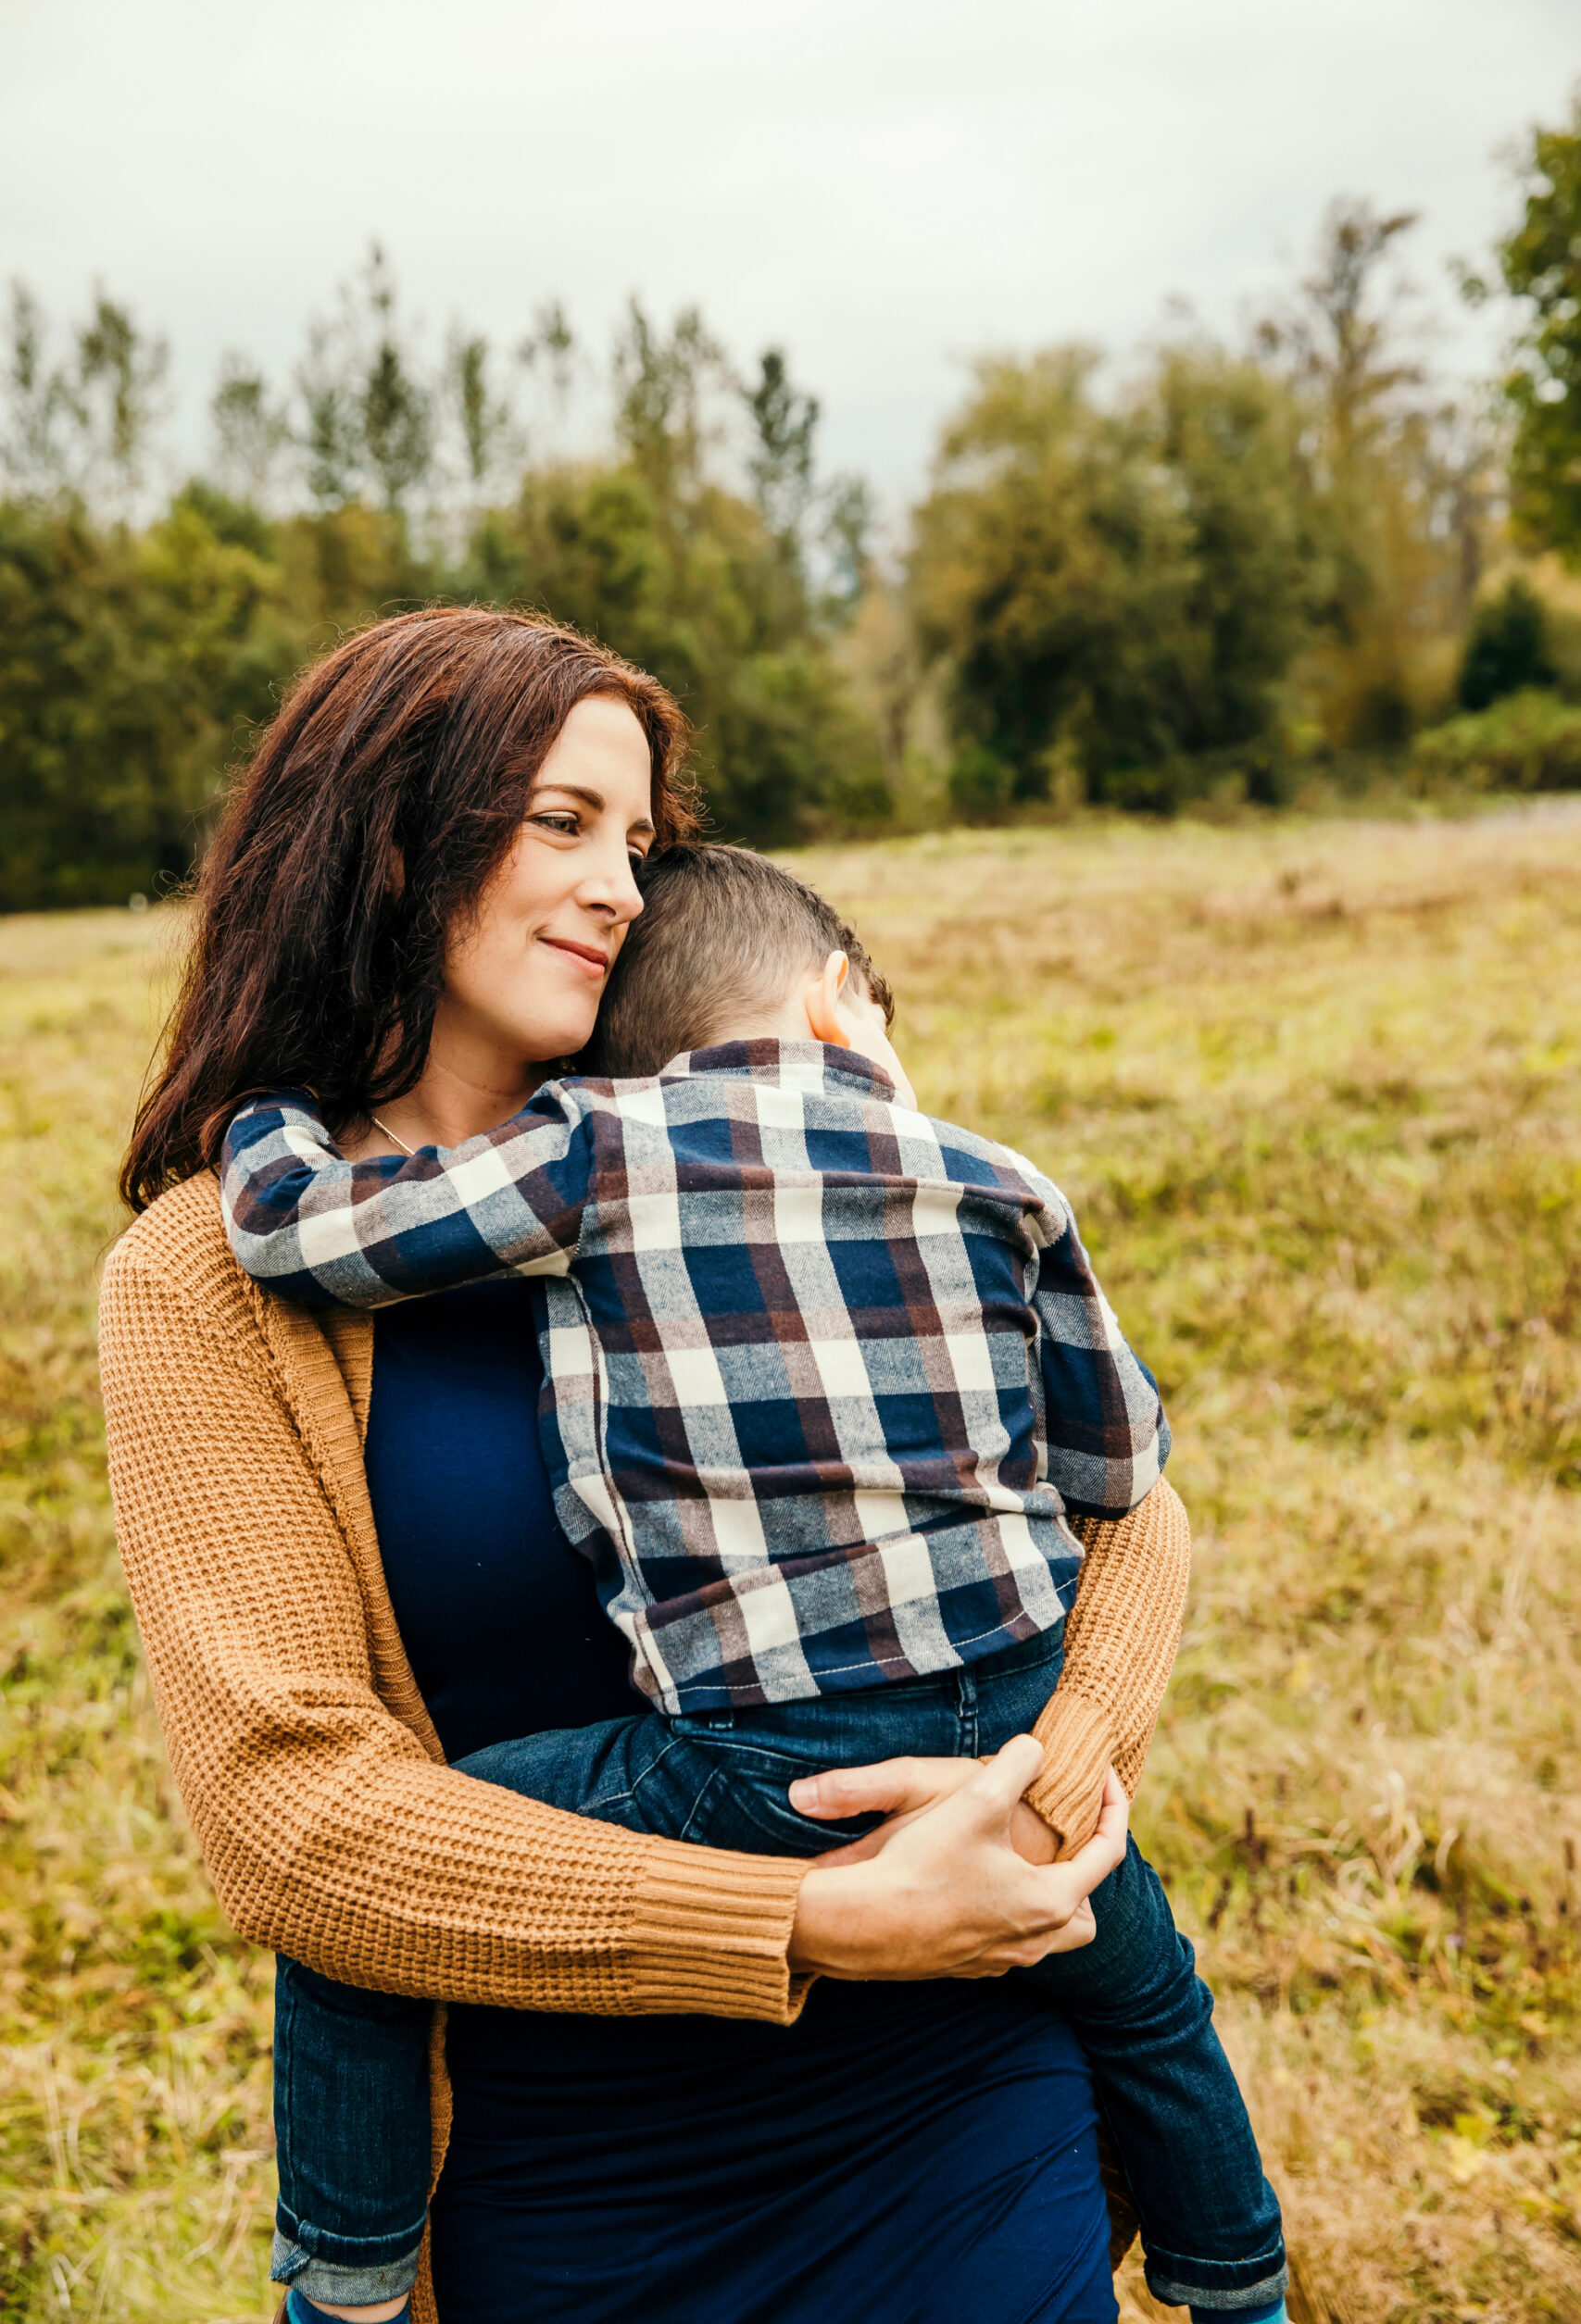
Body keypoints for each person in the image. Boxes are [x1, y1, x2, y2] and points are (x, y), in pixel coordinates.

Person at [96, 607, 1228, 2324]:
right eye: (561, 822)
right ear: (388, 845)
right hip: (571, 2172)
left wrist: (1042, 1780)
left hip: (953, 2103)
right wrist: (802, 1921)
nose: (624, 884)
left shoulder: (765, 1164)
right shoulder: (208, 1283)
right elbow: (291, 1819)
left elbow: (1121, 1508)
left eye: (637, 839)